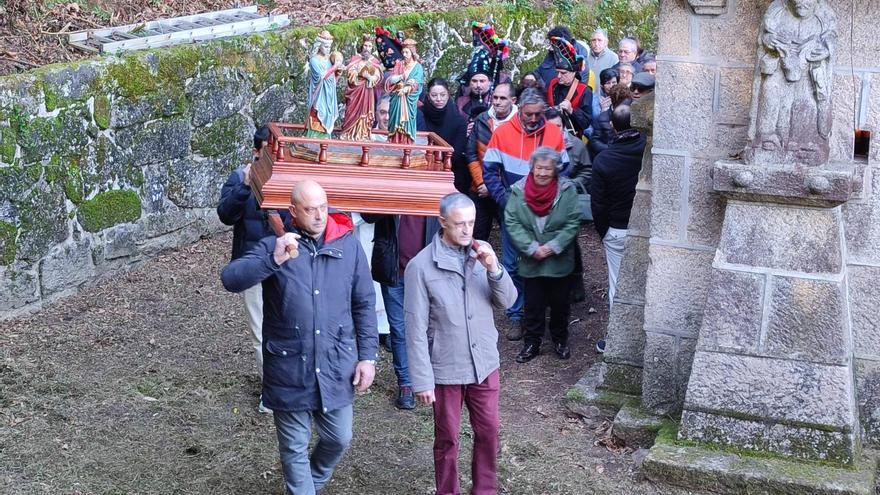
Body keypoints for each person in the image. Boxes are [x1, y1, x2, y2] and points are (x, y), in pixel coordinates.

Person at [221, 180, 379, 495]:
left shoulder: (348, 245)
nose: (319, 216)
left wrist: (368, 357)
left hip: (336, 364)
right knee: (294, 449)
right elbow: (230, 279)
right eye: (310, 209)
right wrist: (273, 260)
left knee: (339, 438)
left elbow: (363, 303)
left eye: (323, 207)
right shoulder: (275, 245)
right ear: (293, 211)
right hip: (289, 367)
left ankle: (312, 482)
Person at [404, 192, 517, 495]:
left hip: (484, 364)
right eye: (460, 224)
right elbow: (414, 328)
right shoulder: (420, 267)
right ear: (442, 222)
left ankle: (485, 490)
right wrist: (422, 380)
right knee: (448, 439)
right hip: (446, 368)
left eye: (471, 222)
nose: (468, 230)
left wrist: (494, 269)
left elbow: (508, 301)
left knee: (489, 431)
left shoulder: (483, 253)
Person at [217, 126, 290, 414]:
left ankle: (291, 384)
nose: (273, 157)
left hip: (285, 266)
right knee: (261, 330)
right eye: (267, 152)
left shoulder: (290, 178)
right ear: (256, 152)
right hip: (251, 266)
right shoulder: (239, 177)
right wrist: (246, 186)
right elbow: (226, 215)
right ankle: (271, 391)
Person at [482, 88, 570, 329]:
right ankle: (514, 313)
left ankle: (538, 312)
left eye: (537, 114)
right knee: (512, 262)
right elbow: (489, 170)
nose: (533, 119)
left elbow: (564, 169)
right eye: (528, 114)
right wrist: (504, 199)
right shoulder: (502, 133)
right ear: (519, 109)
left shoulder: (552, 133)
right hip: (512, 209)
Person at [504, 147, 582, 363]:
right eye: (539, 168)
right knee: (533, 304)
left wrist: (554, 246)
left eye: (548, 169)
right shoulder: (518, 190)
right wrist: (530, 247)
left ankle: (560, 340)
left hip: (559, 260)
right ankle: (532, 343)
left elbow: (573, 221)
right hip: (532, 261)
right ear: (532, 168)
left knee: (560, 304)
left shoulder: (567, 190)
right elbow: (512, 221)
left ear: (555, 170)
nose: (542, 173)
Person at [590, 105, 647, 352]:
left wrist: (604, 232)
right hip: (646, 228)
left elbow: (598, 203)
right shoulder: (648, 151)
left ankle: (618, 341)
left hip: (616, 230)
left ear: (612, 127)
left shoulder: (604, 160)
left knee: (617, 285)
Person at [465, 81, 518, 241]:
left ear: (513, 100)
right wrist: (482, 182)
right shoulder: (482, 119)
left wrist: (494, 186)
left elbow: (518, 161)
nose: (497, 102)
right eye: (495, 97)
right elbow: (471, 153)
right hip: (480, 187)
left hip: (508, 189)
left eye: (502, 98)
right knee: (475, 237)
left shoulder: (521, 123)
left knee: (512, 236)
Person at [417, 78, 470, 194]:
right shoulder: (419, 114)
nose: (439, 99)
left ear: (448, 95)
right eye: (434, 95)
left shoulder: (459, 121)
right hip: (421, 166)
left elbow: (456, 153)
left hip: (450, 170)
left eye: (442, 95)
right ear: (428, 96)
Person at [340, 34, 383, 141]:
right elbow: (350, 71)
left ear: (372, 48)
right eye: (365, 46)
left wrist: (371, 77)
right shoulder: (355, 59)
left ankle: (363, 133)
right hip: (355, 90)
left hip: (367, 91)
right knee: (351, 111)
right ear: (362, 46)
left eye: (369, 46)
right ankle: (349, 133)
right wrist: (359, 74)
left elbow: (378, 75)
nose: (367, 48)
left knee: (365, 112)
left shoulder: (375, 61)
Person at [546, 35, 592, 137]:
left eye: (563, 73)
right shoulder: (552, 84)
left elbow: (586, 123)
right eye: (557, 72)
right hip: (550, 134)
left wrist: (571, 110)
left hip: (572, 138)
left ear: (573, 72)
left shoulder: (584, 91)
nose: (559, 76)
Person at [385, 38, 424, 144]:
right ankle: (393, 139)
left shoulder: (417, 67)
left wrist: (408, 88)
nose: (404, 54)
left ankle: (406, 140)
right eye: (403, 52)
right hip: (397, 96)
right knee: (394, 118)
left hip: (408, 99)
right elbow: (391, 80)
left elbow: (418, 82)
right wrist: (401, 77)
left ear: (412, 53)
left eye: (407, 52)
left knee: (407, 120)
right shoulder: (399, 64)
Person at [306, 31, 341, 138]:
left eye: (329, 47)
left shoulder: (330, 59)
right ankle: (314, 138)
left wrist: (338, 74)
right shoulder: (314, 60)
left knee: (328, 114)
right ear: (319, 46)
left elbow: (332, 81)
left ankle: (326, 137)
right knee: (320, 112)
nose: (328, 49)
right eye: (325, 46)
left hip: (329, 94)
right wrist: (334, 67)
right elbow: (322, 76)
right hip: (319, 93)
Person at [588, 83, 633, 160]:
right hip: (611, 156)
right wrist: (611, 149)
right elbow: (595, 141)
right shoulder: (602, 118)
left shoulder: (633, 115)